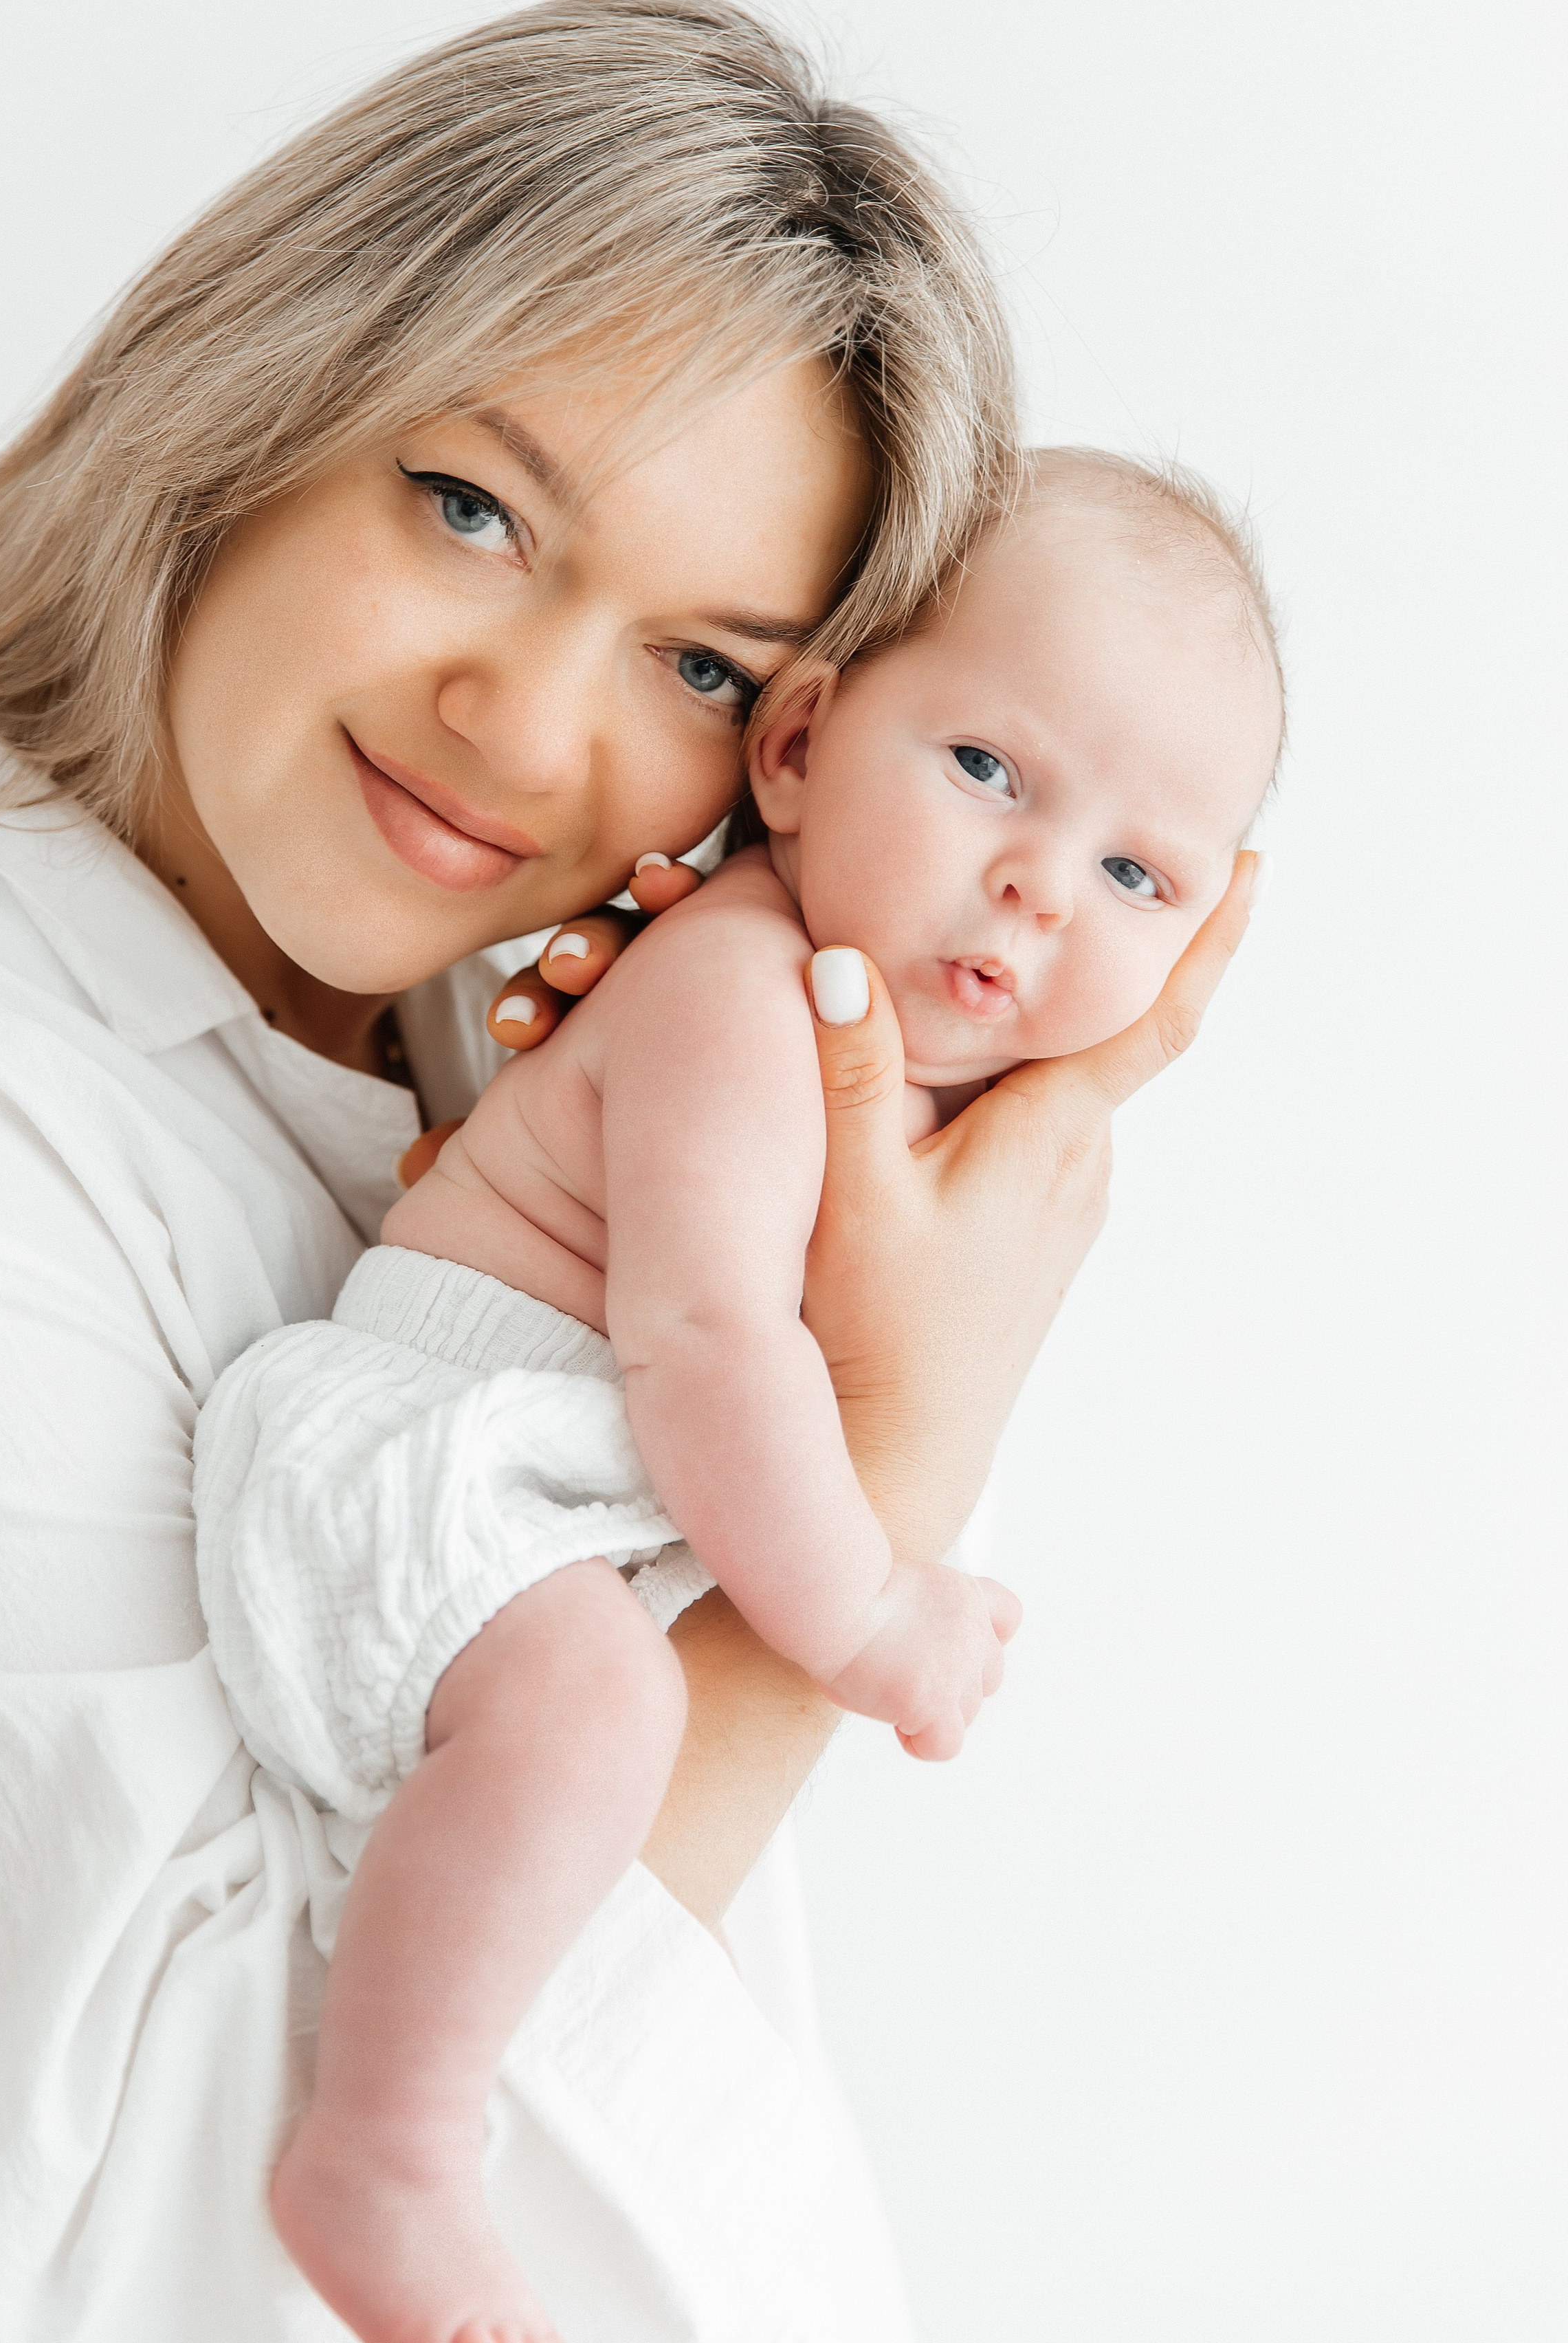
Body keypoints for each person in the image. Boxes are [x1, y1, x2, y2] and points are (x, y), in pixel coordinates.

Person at [0, 0, 1255, 2342]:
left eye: (701, 666)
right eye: (471, 507)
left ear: (799, 741)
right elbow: (185, 2235)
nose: (531, 720)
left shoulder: (499, 1056)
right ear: (255, 401)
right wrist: (902, 1451)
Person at [195, 447, 1278, 2341]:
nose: (1037, 880)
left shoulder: (905, 1082)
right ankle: (384, 2138)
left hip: (535, 1521)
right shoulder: (736, 992)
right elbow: (709, 1348)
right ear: (794, 752)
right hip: (432, 1468)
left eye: (1134, 874)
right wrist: (858, 1612)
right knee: (599, 1705)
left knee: (628, 1834)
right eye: (989, 773)